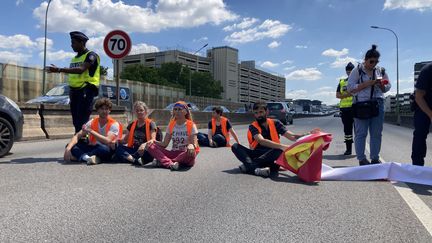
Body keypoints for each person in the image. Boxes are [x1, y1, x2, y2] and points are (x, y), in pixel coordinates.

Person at [231, 101, 319, 178]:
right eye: (256, 113)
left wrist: (307, 134)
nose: (258, 115)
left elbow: (291, 136)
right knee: (235, 146)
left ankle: (250, 166)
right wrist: (283, 146)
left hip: (272, 155)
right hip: (257, 153)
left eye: (261, 112)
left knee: (278, 151)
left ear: (267, 112)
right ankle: (256, 168)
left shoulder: (276, 123)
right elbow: (261, 141)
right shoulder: (253, 126)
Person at [46, 31, 100, 134]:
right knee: (76, 121)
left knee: (82, 121)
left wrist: (59, 70)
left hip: (86, 90)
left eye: (74, 43)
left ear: (82, 43)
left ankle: (81, 143)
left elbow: (81, 69)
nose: (72, 45)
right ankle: (80, 142)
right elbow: (73, 73)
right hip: (74, 92)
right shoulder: (74, 58)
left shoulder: (91, 55)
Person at [347, 45, 391, 166]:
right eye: (371, 61)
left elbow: (387, 87)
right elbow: (350, 88)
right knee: (361, 133)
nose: (373, 64)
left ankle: (375, 158)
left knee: (376, 133)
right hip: (361, 104)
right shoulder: (357, 71)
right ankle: (362, 159)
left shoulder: (380, 70)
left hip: (377, 103)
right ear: (365, 60)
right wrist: (367, 84)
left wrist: (382, 85)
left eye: (376, 62)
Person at [64, 98, 120, 165]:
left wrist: (91, 131)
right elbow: (77, 136)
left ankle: (80, 157)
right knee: (70, 145)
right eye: (102, 109)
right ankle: (88, 158)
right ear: (98, 110)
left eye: (106, 109)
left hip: (105, 148)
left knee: (104, 149)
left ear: (109, 110)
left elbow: (107, 140)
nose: (104, 111)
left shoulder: (114, 124)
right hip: (93, 147)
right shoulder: (92, 122)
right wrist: (68, 149)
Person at [146, 101, 199, 170]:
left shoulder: (191, 125)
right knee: (150, 146)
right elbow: (164, 144)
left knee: (191, 153)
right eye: (175, 109)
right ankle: (170, 164)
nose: (177, 111)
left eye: (179, 109)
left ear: (185, 112)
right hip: (173, 153)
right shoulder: (171, 125)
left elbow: (194, 144)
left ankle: (164, 161)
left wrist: (192, 145)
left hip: (185, 153)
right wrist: (153, 141)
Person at [115, 101, 156, 166]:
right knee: (118, 148)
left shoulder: (151, 124)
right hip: (134, 150)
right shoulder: (132, 124)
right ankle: (134, 160)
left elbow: (153, 140)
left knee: (150, 154)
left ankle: (128, 158)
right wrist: (116, 141)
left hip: (145, 150)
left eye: (141, 110)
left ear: (145, 111)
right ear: (134, 112)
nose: (139, 112)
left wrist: (144, 145)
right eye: (137, 110)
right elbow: (125, 140)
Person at [411, 62, 432, 166]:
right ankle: (417, 167)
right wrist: (431, 115)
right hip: (423, 105)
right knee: (420, 134)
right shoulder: (427, 70)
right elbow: (419, 97)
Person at [336, 62, 355, 155]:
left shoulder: (358, 81)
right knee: (347, 131)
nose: (349, 72)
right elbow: (337, 95)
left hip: (356, 108)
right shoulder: (342, 82)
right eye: (348, 71)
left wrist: (344, 95)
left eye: (351, 71)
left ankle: (360, 150)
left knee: (359, 130)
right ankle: (348, 149)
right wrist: (350, 94)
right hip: (345, 109)